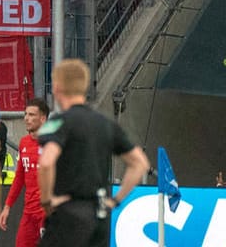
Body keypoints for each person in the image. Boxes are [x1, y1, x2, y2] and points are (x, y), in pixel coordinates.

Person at [34, 59, 147, 247]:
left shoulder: (59, 123)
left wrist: (46, 200)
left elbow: (46, 162)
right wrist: (115, 200)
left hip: (68, 213)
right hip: (99, 215)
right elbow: (140, 163)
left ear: (57, 87)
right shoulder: (105, 123)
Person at [1, 99, 49, 247]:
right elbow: (19, 177)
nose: (26, 118)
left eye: (31, 115)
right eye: (25, 114)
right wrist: (7, 206)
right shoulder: (24, 143)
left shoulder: (52, 144)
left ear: (43, 118)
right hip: (29, 213)